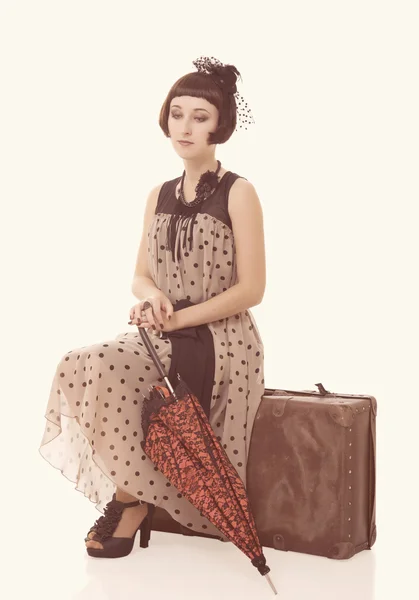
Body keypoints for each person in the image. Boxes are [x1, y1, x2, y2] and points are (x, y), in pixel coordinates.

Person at [38, 56, 266, 558]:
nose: (184, 127)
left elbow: (252, 289)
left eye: (199, 117)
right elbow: (140, 275)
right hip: (164, 326)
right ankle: (130, 493)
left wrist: (180, 316)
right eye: (177, 113)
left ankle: (132, 501)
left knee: (138, 375)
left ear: (220, 126)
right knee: (85, 362)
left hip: (221, 336)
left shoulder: (239, 192)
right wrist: (153, 297)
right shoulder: (158, 194)